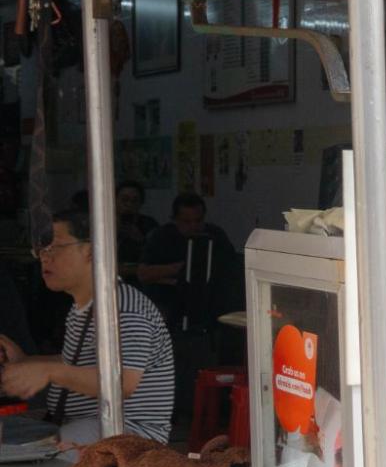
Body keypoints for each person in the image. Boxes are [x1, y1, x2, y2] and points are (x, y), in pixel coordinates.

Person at [0, 204, 175, 446]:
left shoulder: (121, 308)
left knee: (43, 456)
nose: (44, 257)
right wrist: (26, 361)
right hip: (86, 423)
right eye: (41, 249)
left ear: (91, 252)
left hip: (128, 433)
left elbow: (122, 382)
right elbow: (76, 362)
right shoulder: (84, 305)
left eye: (54, 247)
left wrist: (49, 372)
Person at [137, 193, 240, 420]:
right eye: (186, 221)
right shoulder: (161, 237)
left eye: (198, 221)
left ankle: (200, 414)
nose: (193, 226)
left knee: (203, 367)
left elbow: (229, 271)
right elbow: (144, 273)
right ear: (175, 219)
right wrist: (179, 270)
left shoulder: (215, 236)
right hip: (170, 314)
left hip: (206, 317)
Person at [113, 180, 157, 271]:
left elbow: (156, 256)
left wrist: (141, 240)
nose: (129, 204)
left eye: (134, 201)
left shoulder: (149, 224)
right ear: (115, 200)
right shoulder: (104, 224)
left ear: (141, 203)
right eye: (124, 200)